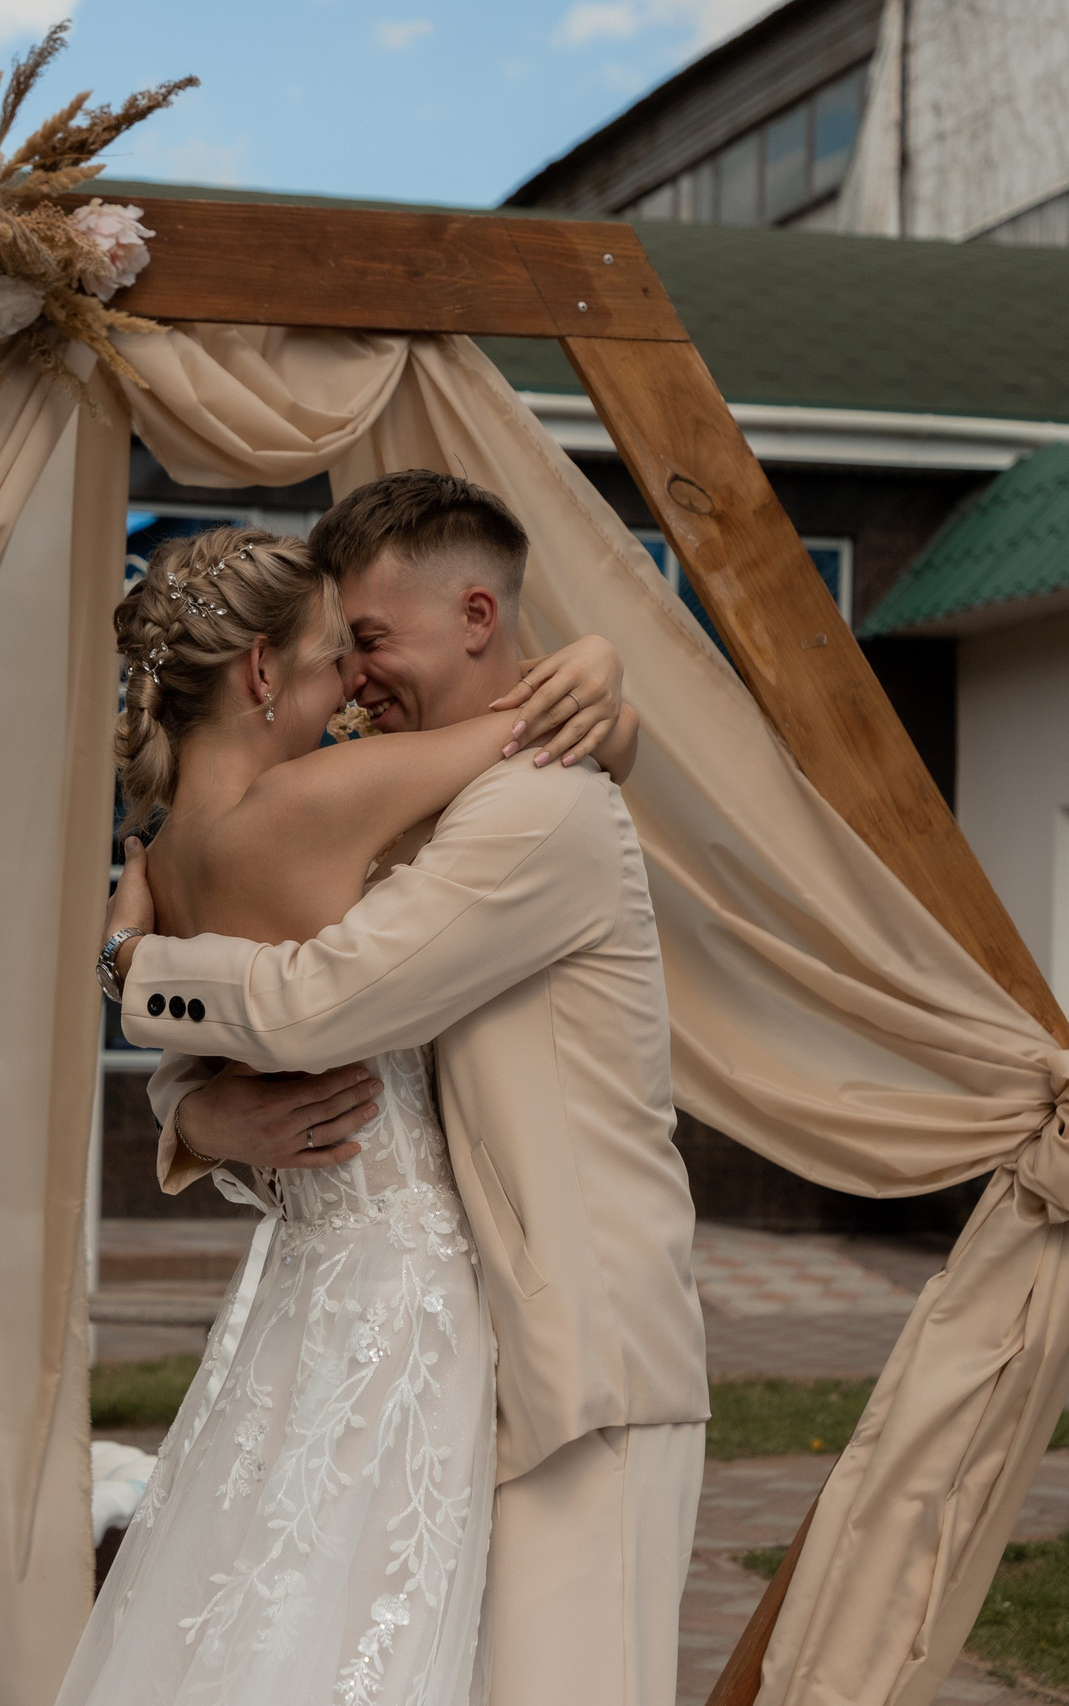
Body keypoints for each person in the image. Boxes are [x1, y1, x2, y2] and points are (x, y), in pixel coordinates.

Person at [106, 471, 709, 1706]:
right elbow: (286, 1035)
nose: (358, 677)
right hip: (448, 1348)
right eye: (341, 647)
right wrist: (197, 1114)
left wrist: (130, 968)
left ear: (477, 616)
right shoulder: (397, 799)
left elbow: (326, 997)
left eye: (371, 640)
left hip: (578, 1357)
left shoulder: (540, 808)